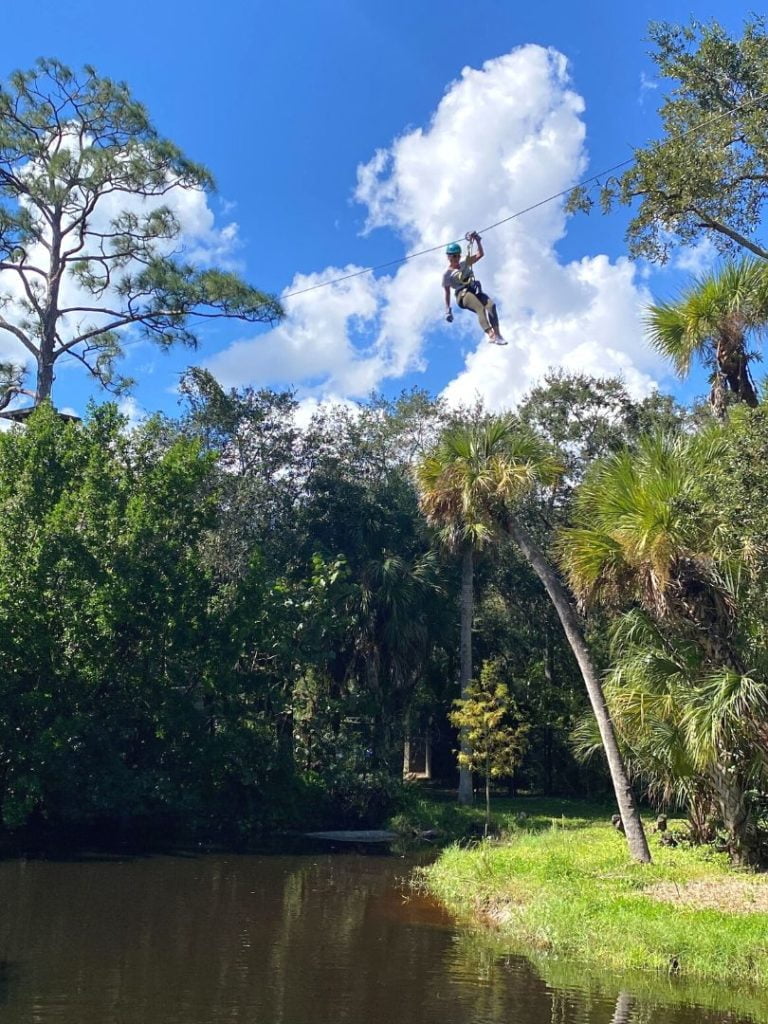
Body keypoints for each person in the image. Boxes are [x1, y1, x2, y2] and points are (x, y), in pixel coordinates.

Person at [442, 232, 506, 344]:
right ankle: (491, 335)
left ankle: (498, 335)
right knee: (480, 308)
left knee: (491, 306)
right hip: (462, 295)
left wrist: (478, 240)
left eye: (458, 255)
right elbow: (447, 293)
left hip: (473, 289)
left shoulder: (464, 262)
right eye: (453, 256)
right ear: (448, 257)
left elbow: (480, 254)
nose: (456, 258)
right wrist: (448, 310)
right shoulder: (447, 274)